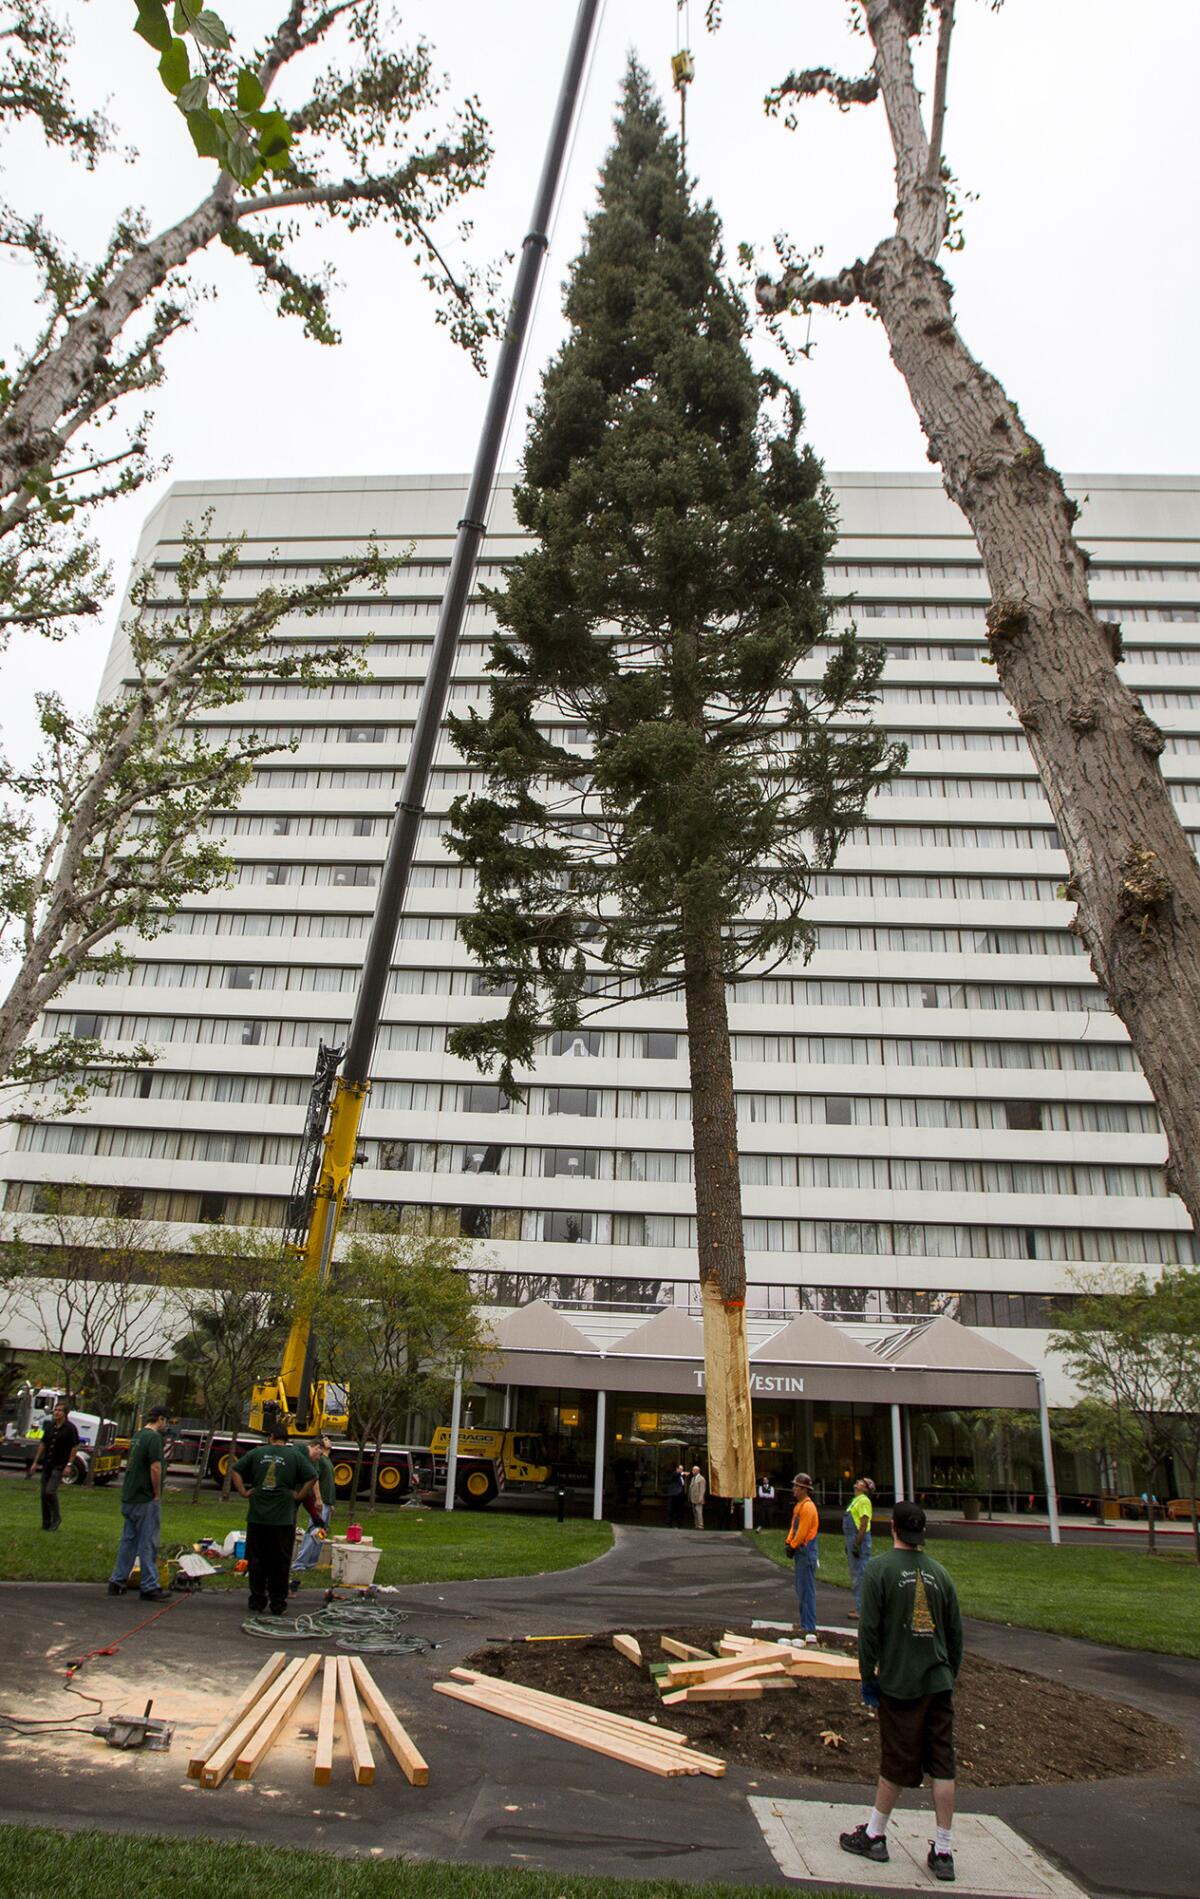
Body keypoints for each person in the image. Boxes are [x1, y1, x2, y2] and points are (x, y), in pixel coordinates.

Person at [840, 1498, 964, 1884]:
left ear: (892, 1528)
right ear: (920, 1532)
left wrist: (867, 1675)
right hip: (937, 1682)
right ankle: (943, 1849)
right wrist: (947, 1674)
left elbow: (869, 1632)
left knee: (895, 1760)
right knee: (942, 1764)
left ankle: (875, 1835)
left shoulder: (880, 1571)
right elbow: (956, 1635)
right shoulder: (940, 1574)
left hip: (900, 1683)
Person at [233, 1420, 318, 1617]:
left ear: (270, 1437)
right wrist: (298, 1495)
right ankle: (278, 1602)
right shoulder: (295, 1456)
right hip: (283, 1519)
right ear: (285, 1438)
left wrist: (244, 1492)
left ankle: (257, 1599)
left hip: (258, 1517)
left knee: (256, 1560)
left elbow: (236, 1470)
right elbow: (312, 1476)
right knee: (280, 1561)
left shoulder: (256, 1454)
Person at [108, 1404, 169, 1600]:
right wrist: (157, 1493)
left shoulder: (137, 1436)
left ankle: (117, 1580)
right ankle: (149, 1585)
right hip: (145, 1497)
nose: (165, 1425)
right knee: (148, 1542)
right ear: (160, 1419)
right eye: (165, 1421)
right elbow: (155, 1467)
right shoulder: (154, 1438)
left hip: (130, 1495)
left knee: (129, 1541)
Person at [290, 1435, 335, 1588]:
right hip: (320, 1502)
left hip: (328, 1502)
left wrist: (331, 1503)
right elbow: (314, 1479)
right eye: (325, 1439)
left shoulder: (327, 1460)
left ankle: (311, 1562)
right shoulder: (319, 1460)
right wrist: (318, 1499)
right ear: (317, 1447)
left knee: (321, 1533)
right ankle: (300, 1563)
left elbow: (329, 1483)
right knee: (313, 1531)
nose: (329, 1440)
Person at [29, 1400, 79, 1531]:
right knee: (43, 1494)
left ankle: (56, 1518)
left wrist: (69, 1465)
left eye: (59, 1410)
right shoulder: (50, 1426)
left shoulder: (70, 1429)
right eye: (55, 1410)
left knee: (50, 1491)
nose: (56, 1412)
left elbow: (74, 1447)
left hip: (60, 1465)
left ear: (65, 1413)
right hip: (47, 1464)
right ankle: (46, 1522)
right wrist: (35, 1462)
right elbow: (43, 1444)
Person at [785, 1471, 820, 1644]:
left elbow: (803, 1531)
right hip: (800, 1550)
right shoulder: (799, 1506)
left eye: (796, 1486)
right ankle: (804, 1623)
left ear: (804, 1489)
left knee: (807, 1590)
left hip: (806, 1551)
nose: (794, 1489)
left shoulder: (808, 1507)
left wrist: (793, 1545)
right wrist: (788, 1541)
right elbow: (794, 1527)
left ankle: (809, 1626)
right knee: (801, 1589)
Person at [844, 1476, 876, 1619]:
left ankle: (861, 1609)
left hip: (859, 1540)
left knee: (860, 1575)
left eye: (861, 1483)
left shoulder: (863, 1501)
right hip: (854, 1540)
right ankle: (859, 1606)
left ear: (865, 1489)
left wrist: (857, 1543)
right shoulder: (855, 1501)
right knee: (856, 1574)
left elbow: (863, 1523)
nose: (858, 1482)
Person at [665, 1462, 686, 1528]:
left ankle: (679, 1524)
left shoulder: (681, 1476)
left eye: (682, 1469)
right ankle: (669, 1523)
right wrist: (682, 1473)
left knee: (679, 1510)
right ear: (677, 1469)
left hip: (680, 1495)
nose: (681, 1470)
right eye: (680, 1469)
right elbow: (675, 1475)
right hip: (673, 1495)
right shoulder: (675, 1473)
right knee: (671, 1509)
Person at [688, 1462, 707, 1530]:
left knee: (699, 1512)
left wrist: (700, 1498)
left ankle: (700, 1525)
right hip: (693, 1498)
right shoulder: (693, 1478)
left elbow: (702, 1490)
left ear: (697, 1471)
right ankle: (696, 1525)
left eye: (693, 1470)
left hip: (698, 1498)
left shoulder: (701, 1479)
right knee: (695, 1513)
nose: (692, 1471)